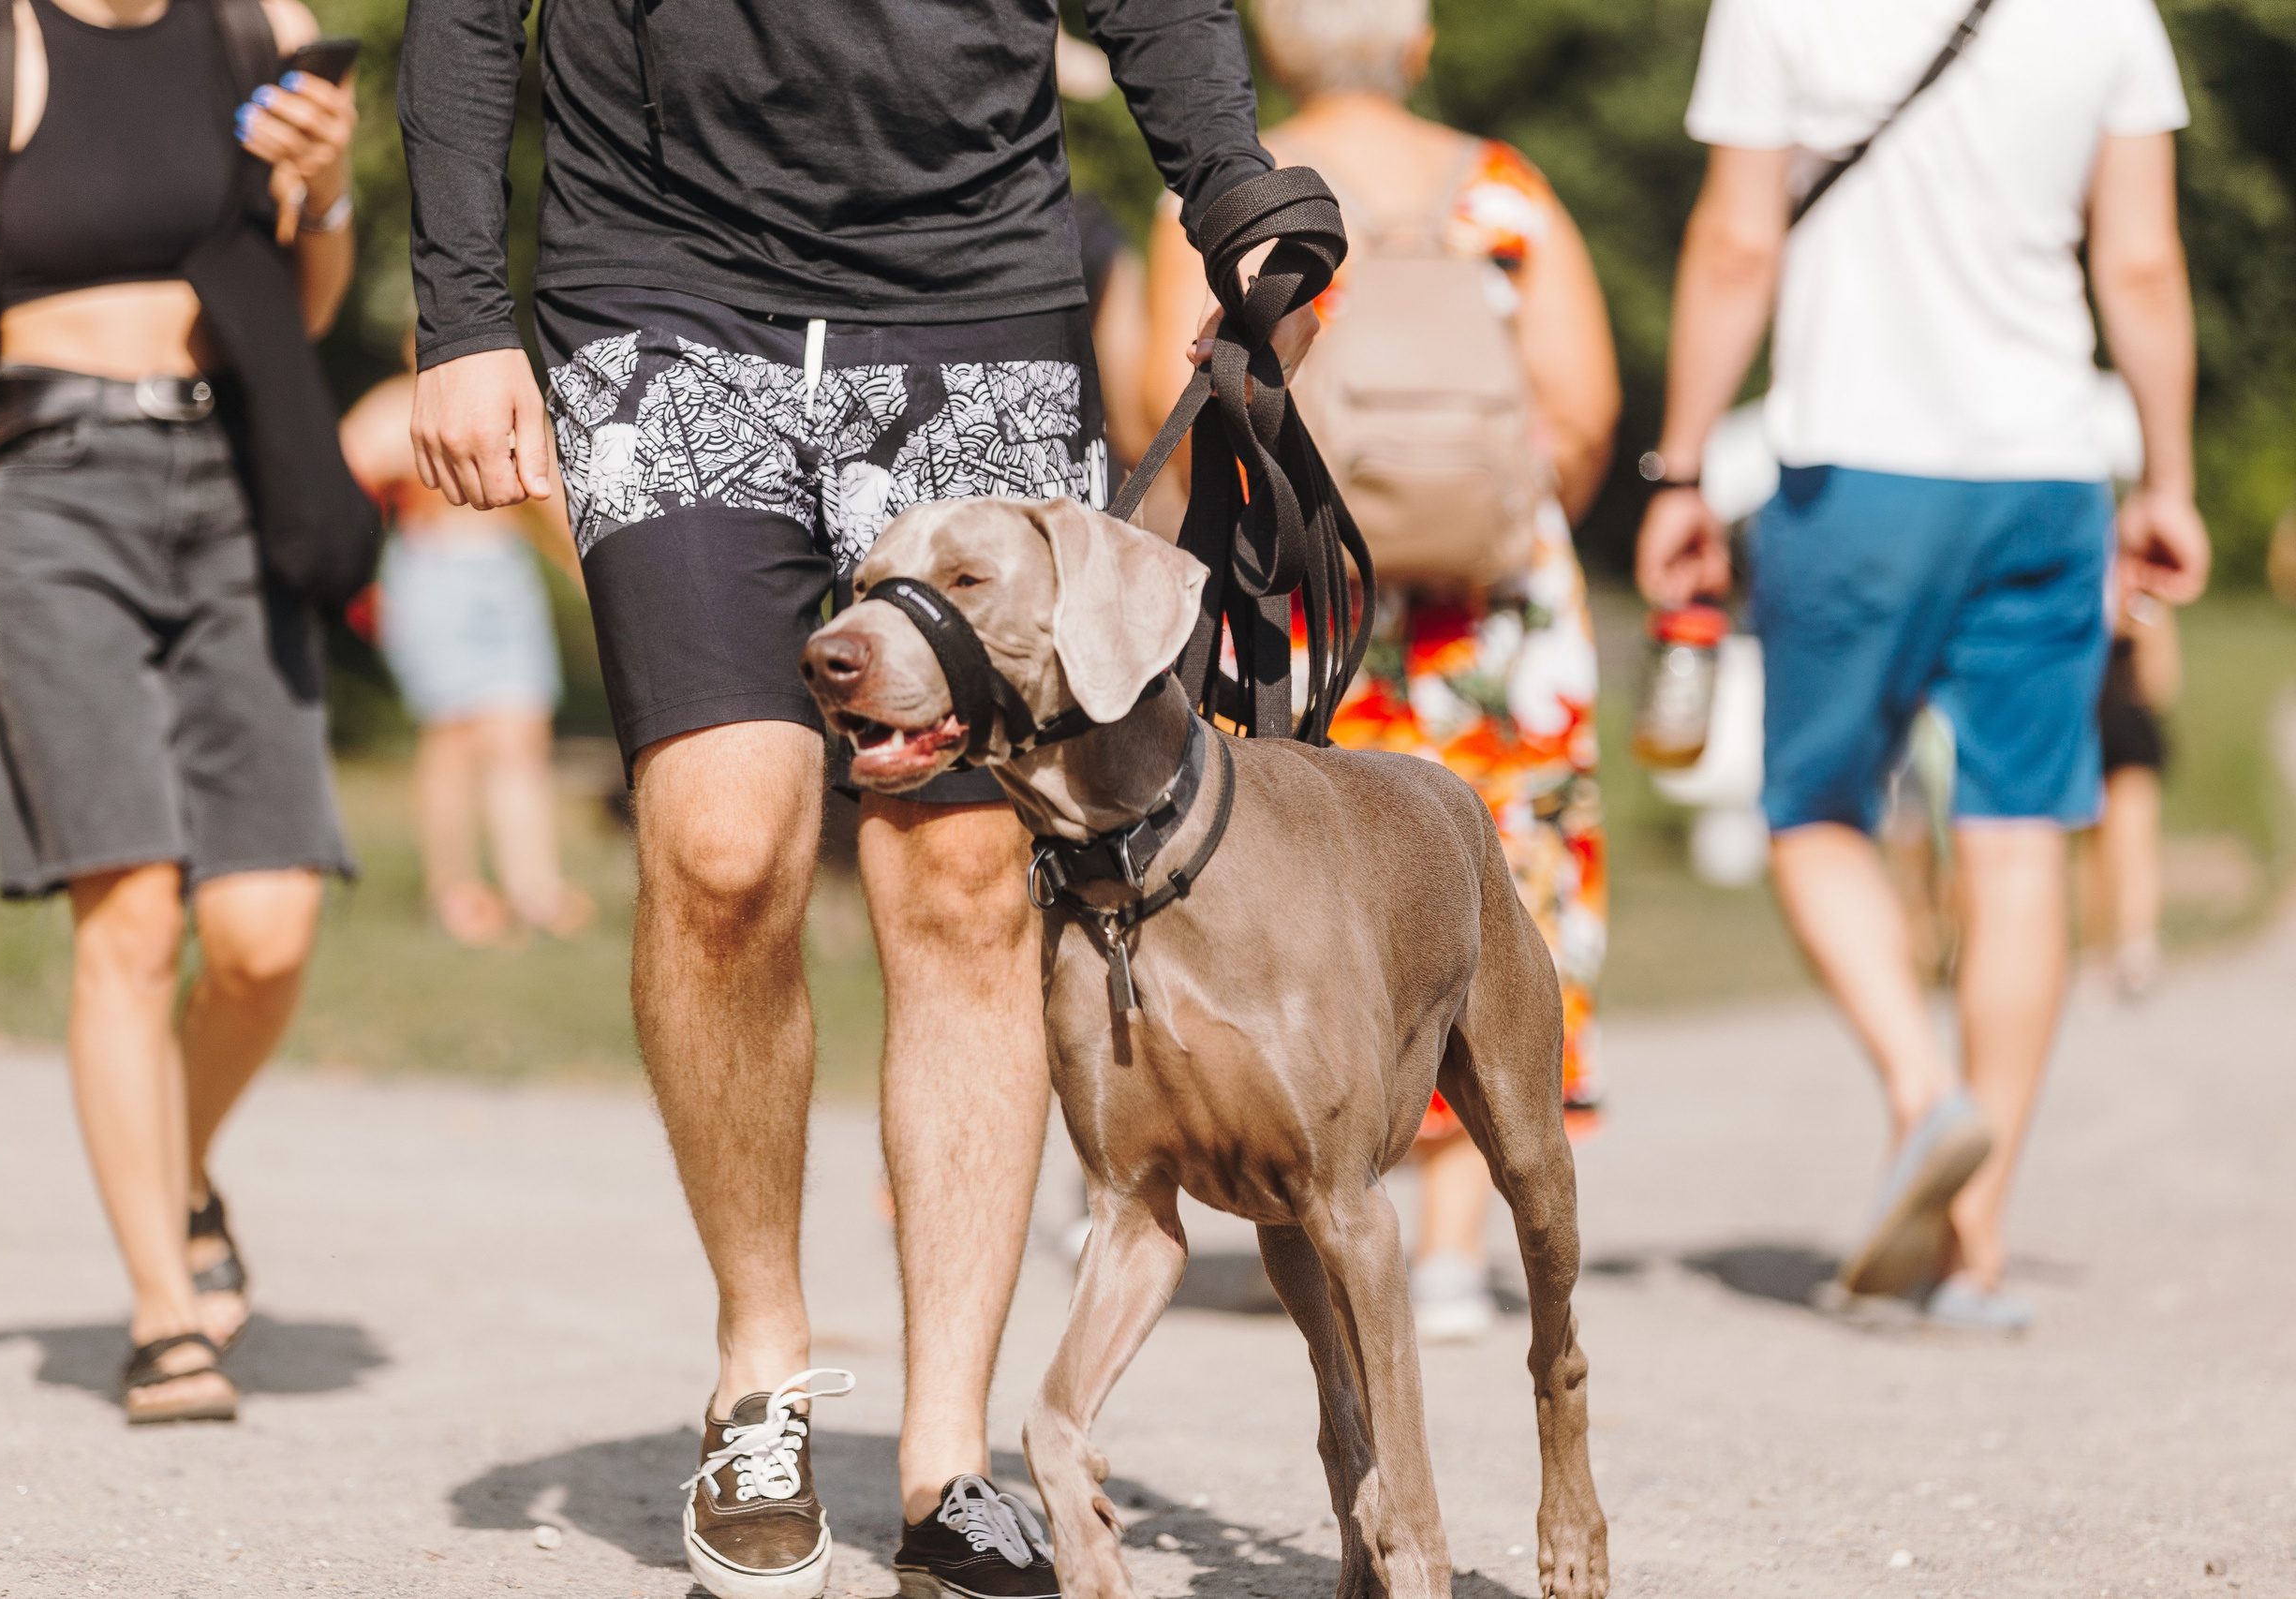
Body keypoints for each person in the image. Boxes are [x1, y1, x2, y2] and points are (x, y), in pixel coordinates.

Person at [394, 4, 1315, 1595]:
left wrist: (1230, 185)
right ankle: (760, 1372)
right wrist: (462, 311)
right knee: (720, 848)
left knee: (960, 882)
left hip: (974, 299)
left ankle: (949, 1462)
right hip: (661, 292)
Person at [1637, 0, 2211, 1331]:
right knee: (2019, 834)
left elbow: (1736, 244)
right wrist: (2169, 480)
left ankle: (1922, 1086)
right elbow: (2140, 265)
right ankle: (1977, 1245)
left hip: (1852, 474)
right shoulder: (2111, 13)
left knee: (1814, 811)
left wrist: (1679, 470)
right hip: (2046, 474)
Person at [0, 0, 357, 1418]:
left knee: (267, 932)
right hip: (53, 490)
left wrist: (329, 186)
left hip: (236, 485)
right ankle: (166, 1315)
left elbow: (307, 304)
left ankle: (179, 1165)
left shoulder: (263, 29)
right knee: (133, 911)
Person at [1143, 0, 1620, 1341]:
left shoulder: (1226, 202)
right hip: (1496, 617)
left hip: (1303, 594)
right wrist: (1488, 523)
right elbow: (1583, 412)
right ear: (1417, 46)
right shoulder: (1506, 192)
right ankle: (1458, 1244)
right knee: (1498, 882)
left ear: (1271, 50)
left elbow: (1155, 401)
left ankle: (1314, 1204)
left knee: (1304, 888)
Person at [340, 351, 594, 947]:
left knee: (521, 732)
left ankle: (534, 889)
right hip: (432, 571)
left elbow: (546, 496)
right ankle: (453, 890)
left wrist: (583, 571)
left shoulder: (509, 401)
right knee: (452, 734)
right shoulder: (390, 409)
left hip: (504, 570)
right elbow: (337, 487)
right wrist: (353, 581)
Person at [2083, 595, 2179, 998]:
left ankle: (2125, 947)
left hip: (2110, 727)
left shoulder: (2138, 601)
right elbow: (2164, 683)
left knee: (2116, 843)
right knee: (2111, 848)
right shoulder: (2135, 598)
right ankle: (2118, 949)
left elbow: (2161, 682)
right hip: (2104, 726)